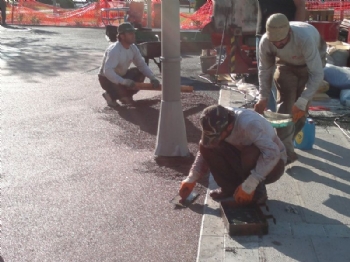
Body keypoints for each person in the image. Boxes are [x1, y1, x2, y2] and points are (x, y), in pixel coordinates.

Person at [254, 13, 326, 164]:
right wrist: (263, 97)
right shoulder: (266, 42)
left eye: (281, 41)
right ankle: (285, 153)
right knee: (285, 108)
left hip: (311, 65)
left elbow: (317, 74)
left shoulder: (304, 38)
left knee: (300, 110)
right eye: (275, 42)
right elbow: (265, 70)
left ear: (289, 33)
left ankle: (288, 139)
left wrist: (302, 101)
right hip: (285, 65)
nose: (278, 45)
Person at [179, 105, 286, 205]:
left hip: (274, 165)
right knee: (205, 146)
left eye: (218, 136)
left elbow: (272, 153)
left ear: (229, 127)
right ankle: (229, 189)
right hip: (243, 156)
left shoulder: (249, 124)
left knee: (250, 154)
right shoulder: (216, 119)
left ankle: (257, 192)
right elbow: (206, 148)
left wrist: (250, 184)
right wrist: (192, 178)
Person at [256, 0, 306, 112]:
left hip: (286, 37)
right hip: (263, 34)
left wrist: (296, 32)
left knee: (282, 84)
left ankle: (282, 119)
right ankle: (269, 120)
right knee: (265, 77)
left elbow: (300, 5)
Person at [98, 22, 160, 107]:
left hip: (120, 75)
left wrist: (152, 78)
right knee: (125, 83)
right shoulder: (115, 50)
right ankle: (110, 95)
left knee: (139, 73)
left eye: (133, 33)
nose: (133, 35)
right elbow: (107, 71)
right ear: (122, 36)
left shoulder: (133, 47)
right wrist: (124, 81)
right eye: (130, 33)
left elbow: (142, 65)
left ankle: (124, 96)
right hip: (106, 79)